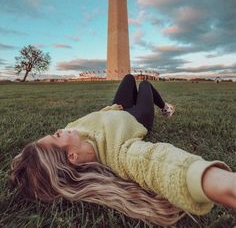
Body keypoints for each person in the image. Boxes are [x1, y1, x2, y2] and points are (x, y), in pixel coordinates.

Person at [10, 74, 236, 226]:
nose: (60, 129)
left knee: (129, 78)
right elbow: (157, 163)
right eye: (57, 135)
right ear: (72, 156)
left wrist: (110, 109)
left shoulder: (72, 130)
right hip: (136, 118)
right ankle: (165, 108)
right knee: (145, 84)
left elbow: (94, 118)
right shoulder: (119, 154)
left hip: (116, 109)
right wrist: (216, 181)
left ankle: (139, 101)